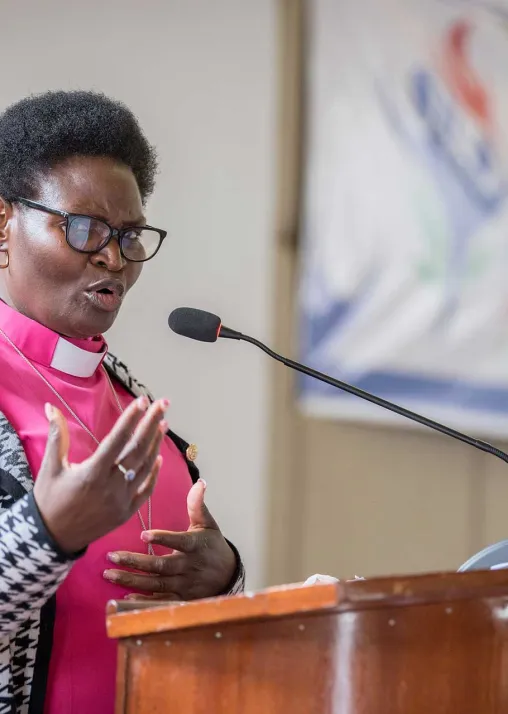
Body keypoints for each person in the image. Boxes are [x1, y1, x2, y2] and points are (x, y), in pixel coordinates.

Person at [0, 90, 244, 714]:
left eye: (129, 234)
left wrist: (221, 578)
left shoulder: (125, 396)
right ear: (4, 225)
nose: (113, 256)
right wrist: (46, 533)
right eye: (82, 229)